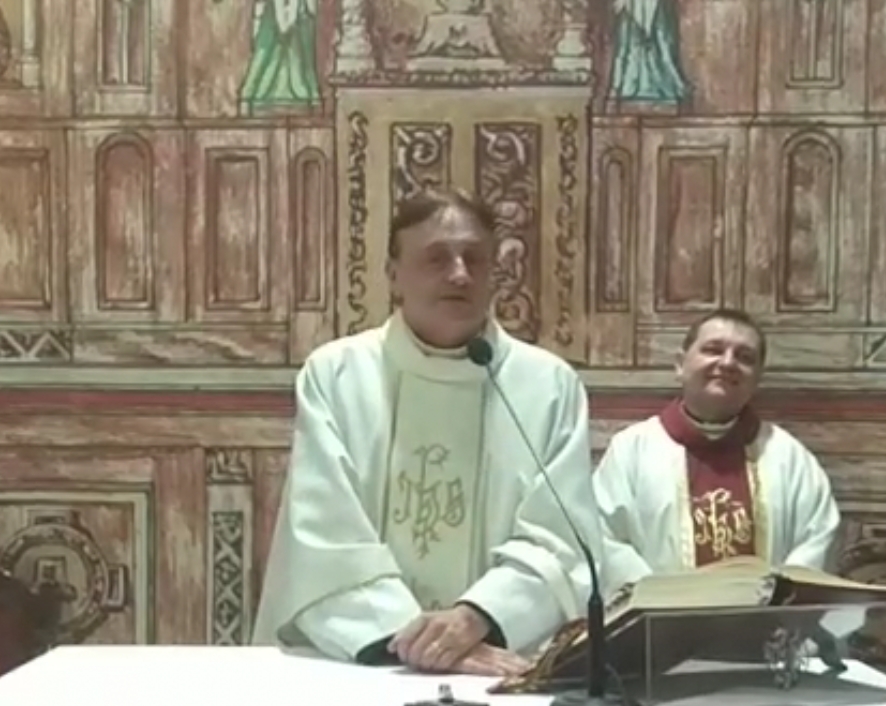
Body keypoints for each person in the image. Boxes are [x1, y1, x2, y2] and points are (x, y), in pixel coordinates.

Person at [251, 188, 600, 677]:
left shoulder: (548, 385)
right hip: (361, 659)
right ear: (393, 274)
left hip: (501, 662)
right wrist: (421, 640)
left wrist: (474, 619)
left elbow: (559, 540)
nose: (459, 274)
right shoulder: (337, 375)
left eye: (475, 259)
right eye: (437, 258)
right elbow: (325, 537)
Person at [595, 308, 841, 584]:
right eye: (713, 350)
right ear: (680, 365)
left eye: (744, 357)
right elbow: (605, 538)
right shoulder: (632, 450)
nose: (728, 363)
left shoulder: (789, 457)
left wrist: (777, 600)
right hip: (660, 611)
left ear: (757, 378)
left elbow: (816, 539)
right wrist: (659, 599)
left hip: (765, 612)